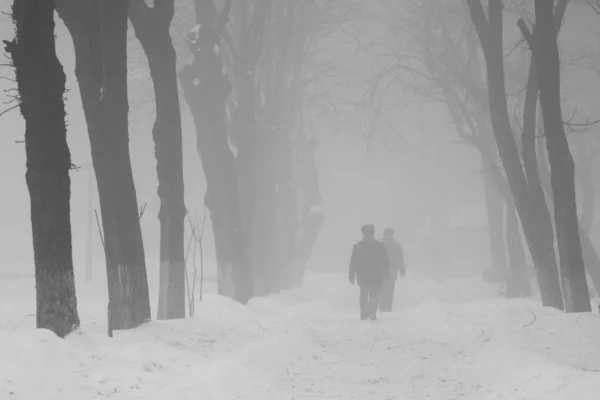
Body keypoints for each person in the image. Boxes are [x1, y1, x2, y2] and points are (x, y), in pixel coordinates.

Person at [349, 224, 390, 320]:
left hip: (362, 274)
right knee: (374, 294)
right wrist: (386, 272)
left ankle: (364, 313)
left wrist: (351, 275)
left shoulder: (358, 246)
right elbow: (385, 260)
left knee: (363, 294)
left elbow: (353, 262)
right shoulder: (380, 246)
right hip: (376, 274)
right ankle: (372, 312)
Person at [379, 228, 406, 312]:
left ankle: (380, 302)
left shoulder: (378, 244)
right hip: (392, 271)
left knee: (381, 287)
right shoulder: (396, 245)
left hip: (380, 271)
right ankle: (387, 307)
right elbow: (400, 259)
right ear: (392, 235)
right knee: (390, 289)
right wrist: (402, 270)